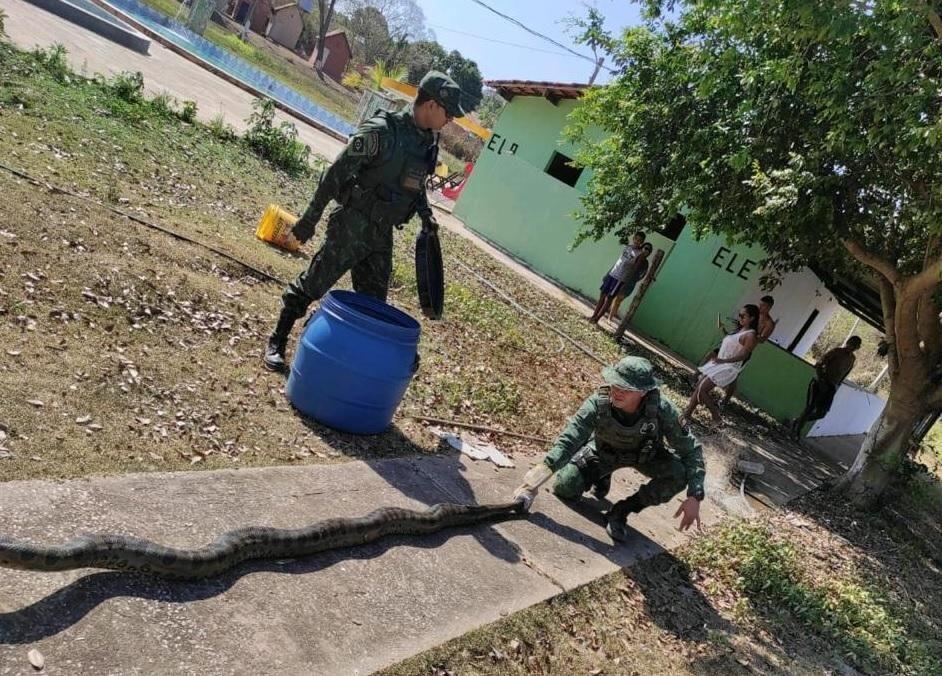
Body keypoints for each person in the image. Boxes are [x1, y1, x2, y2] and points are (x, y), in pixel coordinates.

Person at [262, 71, 464, 371]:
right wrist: (309, 219)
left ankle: (331, 346)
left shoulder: (426, 144)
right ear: (431, 105)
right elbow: (335, 174)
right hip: (352, 224)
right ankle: (277, 339)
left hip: (381, 234)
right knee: (314, 283)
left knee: (372, 304)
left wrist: (425, 215)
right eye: (448, 113)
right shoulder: (381, 131)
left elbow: (415, 183)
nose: (450, 121)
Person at [512, 356, 706, 542]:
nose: (617, 392)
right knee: (565, 487)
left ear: (643, 392)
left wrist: (695, 496)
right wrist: (534, 480)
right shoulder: (599, 402)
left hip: (646, 456)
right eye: (615, 384)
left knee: (679, 474)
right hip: (604, 453)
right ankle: (601, 474)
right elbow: (569, 439)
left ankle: (621, 511)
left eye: (626, 388)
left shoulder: (663, 410)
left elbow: (692, 450)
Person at [680, 305, 760, 428]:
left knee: (702, 389)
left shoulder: (751, 335)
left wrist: (724, 360)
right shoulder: (740, 330)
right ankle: (687, 414)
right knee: (699, 387)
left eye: (743, 316)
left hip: (728, 367)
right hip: (720, 363)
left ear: (752, 318)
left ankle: (716, 417)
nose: (740, 318)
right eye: (739, 315)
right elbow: (731, 343)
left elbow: (744, 355)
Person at [790, 336, 862, 439]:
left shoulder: (852, 359)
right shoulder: (836, 351)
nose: (853, 347)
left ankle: (797, 421)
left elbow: (845, 374)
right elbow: (819, 364)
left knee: (821, 414)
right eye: (852, 344)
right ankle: (796, 432)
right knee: (810, 408)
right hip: (819, 382)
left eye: (856, 346)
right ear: (848, 342)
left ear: (858, 348)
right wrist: (821, 380)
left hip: (831, 387)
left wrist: (836, 385)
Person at [719, 295, 777, 405]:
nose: (760, 307)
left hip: (745, 350)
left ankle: (725, 400)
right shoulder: (754, 314)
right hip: (733, 344)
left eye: (763, 306)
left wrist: (751, 335)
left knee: (733, 376)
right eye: (760, 304)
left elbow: (762, 339)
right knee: (714, 358)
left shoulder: (769, 323)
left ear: (769, 307)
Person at [589, 232, 646, 323]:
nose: (637, 241)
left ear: (642, 242)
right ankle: (593, 315)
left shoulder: (640, 254)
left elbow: (634, 270)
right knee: (602, 295)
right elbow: (619, 260)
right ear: (633, 238)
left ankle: (597, 319)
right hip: (612, 274)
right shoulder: (627, 247)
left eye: (640, 240)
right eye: (636, 239)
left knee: (609, 298)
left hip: (620, 279)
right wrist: (609, 273)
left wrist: (625, 282)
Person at [606, 242, 654, 322]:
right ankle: (606, 313)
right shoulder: (634, 256)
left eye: (649, 250)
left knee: (618, 300)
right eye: (645, 248)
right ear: (642, 248)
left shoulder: (645, 263)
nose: (646, 251)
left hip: (630, 284)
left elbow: (642, 275)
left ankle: (610, 317)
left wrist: (634, 279)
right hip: (621, 278)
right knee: (611, 296)